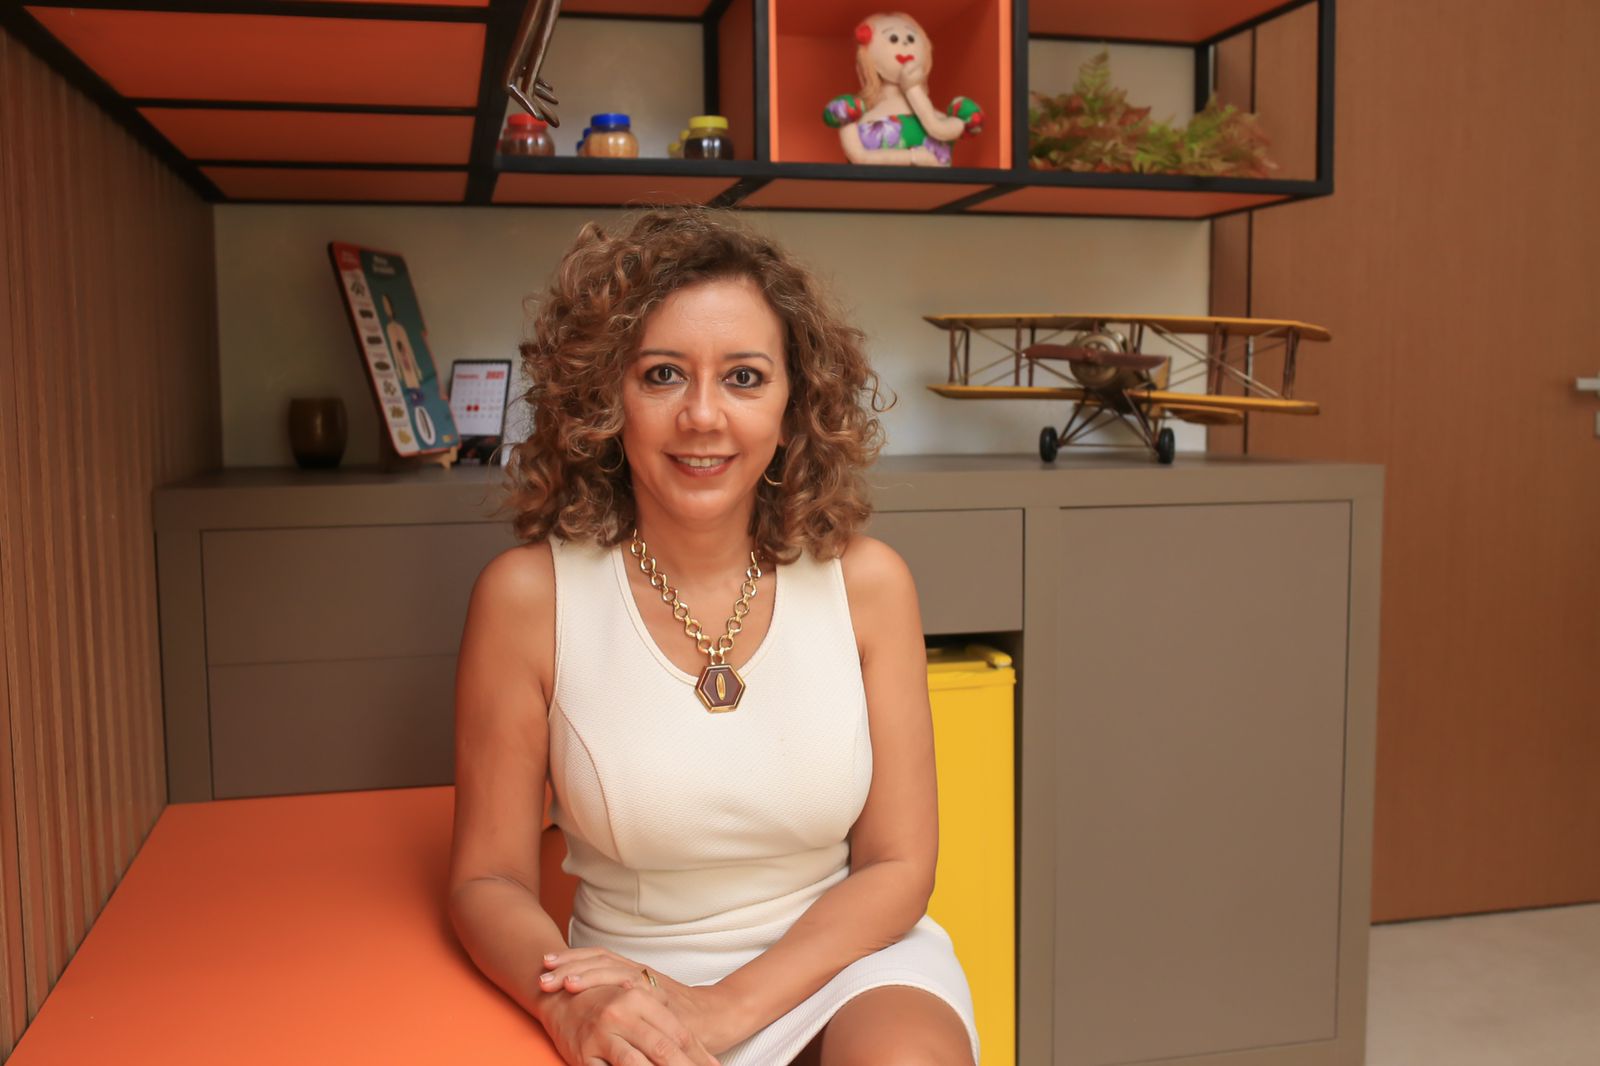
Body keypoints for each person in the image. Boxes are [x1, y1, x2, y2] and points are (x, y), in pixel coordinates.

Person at [448, 206, 979, 1066]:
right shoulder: (528, 599)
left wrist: (724, 1010)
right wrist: (570, 1006)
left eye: (743, 377)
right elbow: (489, 879)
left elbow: (899, 866)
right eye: (662, 374)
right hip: (632, 982)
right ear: (604, 397)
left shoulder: (869, 584)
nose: (703, 415)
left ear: (793, 402)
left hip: (846, 962)